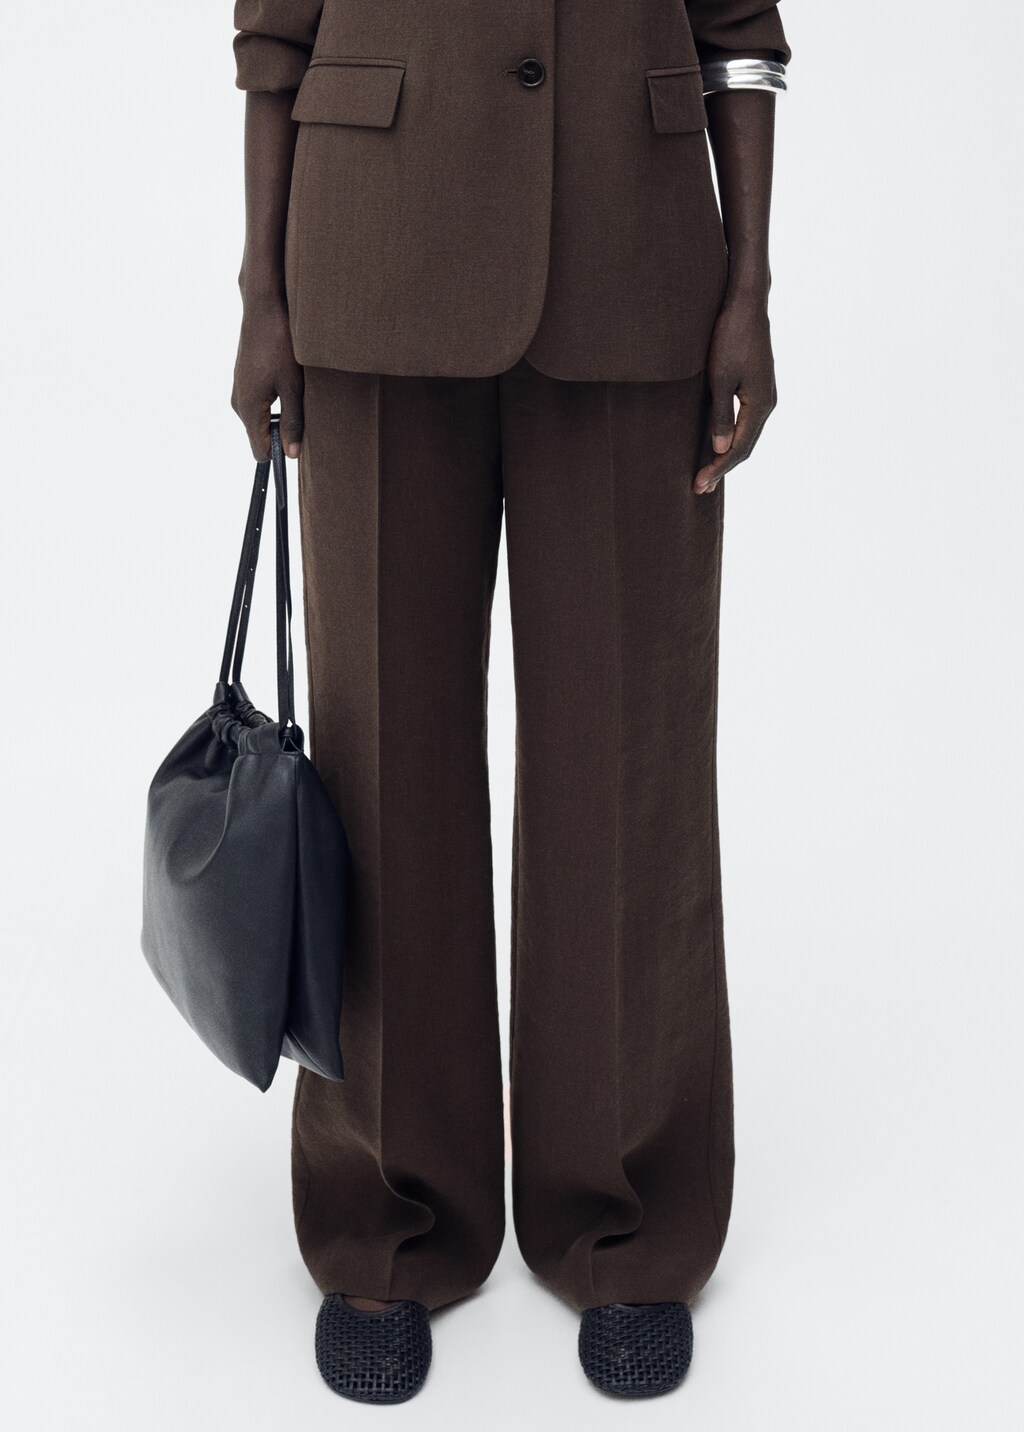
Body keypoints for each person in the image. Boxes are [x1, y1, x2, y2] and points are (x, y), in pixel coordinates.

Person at [230, 0, 790, 1405]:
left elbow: (738, 29)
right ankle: (390, 1208)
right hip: (373, 256)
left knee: (629, 763)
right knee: (381, 770)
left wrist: (749, 289)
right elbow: (274, 35)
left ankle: (626, 1212)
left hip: (635, 272)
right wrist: (260, 295)